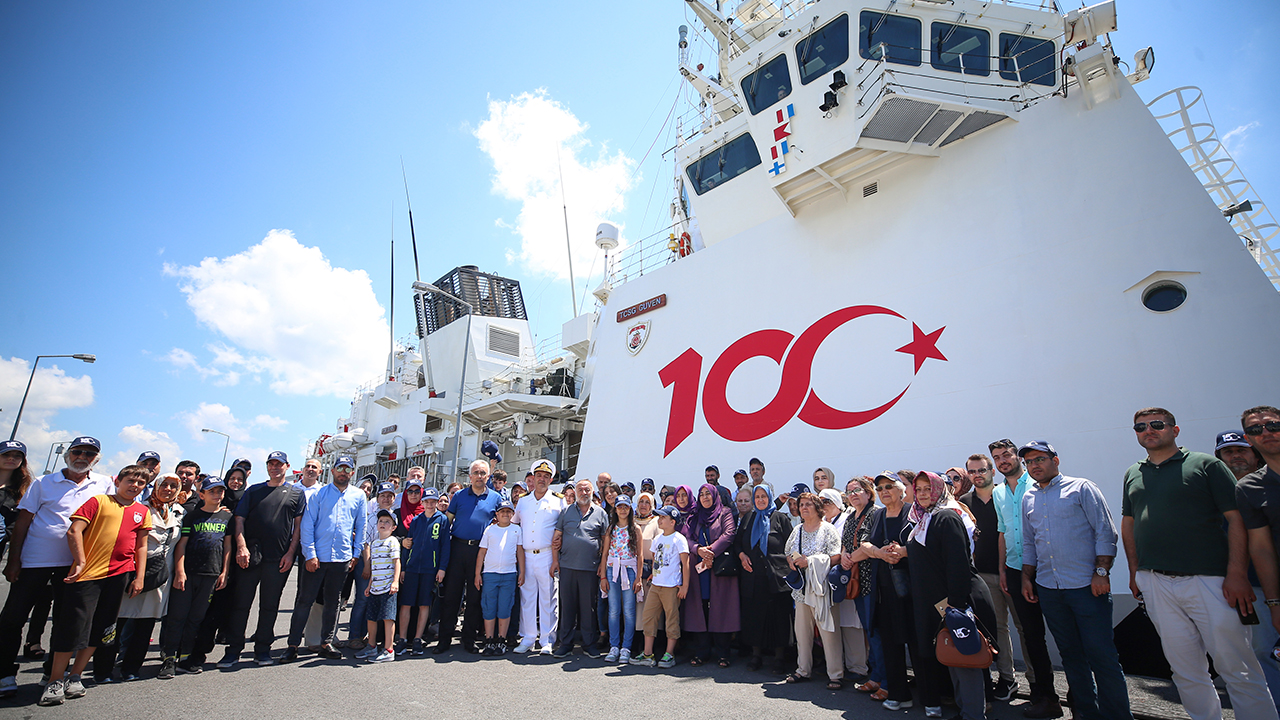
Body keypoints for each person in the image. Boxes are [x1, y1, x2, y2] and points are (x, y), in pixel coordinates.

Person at [1123, 408, 1278, 720]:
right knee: (1185, 670)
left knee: (1238, 667)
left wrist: (1236, 573)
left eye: (1156, 425)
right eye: (1141, 427)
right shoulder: (1133, 473)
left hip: (1211, 580)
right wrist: (1134, 572)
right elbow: (1129, 523)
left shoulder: (1206, 464)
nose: (1148, 431)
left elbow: (1236, 520)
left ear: (1175, 430)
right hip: (1156, 582)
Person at [1018, 441, 1131, 720]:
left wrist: (1102, 573)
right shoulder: (1028, 497)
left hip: (1086, 587)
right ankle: (1085, 713)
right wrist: (1027, 577)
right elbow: (1030, 543)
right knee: (1070, 655)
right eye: (1029, 462)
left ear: (1055, 460)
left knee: (1102, 656)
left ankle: (1117, 716)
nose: (1034, 465)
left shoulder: (1082, 488)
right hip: (1049, 588)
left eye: (1039, 459)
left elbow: (1105, 532)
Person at [0, 436, 112, 699]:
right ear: (68, 454)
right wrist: (14, 560)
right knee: (12, 619)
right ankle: (5, 673)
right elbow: (23, 522)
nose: (82, 457)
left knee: (65, 622)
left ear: (96, 459)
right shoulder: (43, 482)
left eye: (89, 453)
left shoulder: (103, 484)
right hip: (34, 562)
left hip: (74, 565)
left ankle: (52, 673)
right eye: (77, 452)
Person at [40, 465, 151, 706]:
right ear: (118, 481)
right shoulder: (98, 501)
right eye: (130, 480)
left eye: (140, 483)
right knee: (72, 627)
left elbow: (141, 546)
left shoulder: (142, 511)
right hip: (87, 575)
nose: (135, 486)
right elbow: (74, 531)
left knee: (101, 627)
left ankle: (75, 676)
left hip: (119, 576)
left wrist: (139, 577)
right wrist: (80, 562)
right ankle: (54, 680)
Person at [903, 471, 995, 720]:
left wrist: (955, 605)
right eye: (918, 489)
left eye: (927, 489)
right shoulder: (923, 519)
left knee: (965, 657)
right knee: (952, 655)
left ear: (939, 489)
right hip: (937, 601)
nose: (922, 494)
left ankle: (974, 714)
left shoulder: (946, 517)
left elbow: (958, 565)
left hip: (953, 599)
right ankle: (966, 709)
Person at [989, 437, 1058, 717]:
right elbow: (1003, 532)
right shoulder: (999, 493)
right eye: (997, 457)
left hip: (1049, 570)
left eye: (1006, 454)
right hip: (1017, 572)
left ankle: (1082, 700)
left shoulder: (1039, 483)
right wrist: (1003, 570)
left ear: (1017, 456)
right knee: (1032, 636)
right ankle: (1045, 696)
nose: (1003, 460)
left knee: (1065, 636)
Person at [222, 451, 305, 668]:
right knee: (241, 605)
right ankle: (233, 651)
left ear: (287, 466)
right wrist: (241, 547)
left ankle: (262, 650)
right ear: (267, 467)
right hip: (250, 557)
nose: (275, 467)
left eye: (279, 464)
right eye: (271, 464)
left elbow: (297, 528)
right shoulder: (254, 491)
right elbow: (239, 520)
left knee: (270, 606)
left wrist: (290, 553)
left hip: (279, 559)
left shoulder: (296, 493)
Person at [283, 454, 364, 663]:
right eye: (340, 468)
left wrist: (355, 555)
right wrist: (310, 554)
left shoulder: (358, 496)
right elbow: (307, 525)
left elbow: (361, 527)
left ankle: (326, 642)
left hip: (342, 558)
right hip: (317, 558)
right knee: (304, 600)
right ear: (333, 471)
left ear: (352, 473)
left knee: (333, 602)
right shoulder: (319, 494)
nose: (343, 473)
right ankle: (292, 645)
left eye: (347, 469)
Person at [112, 472, 184, 681]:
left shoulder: (178, 512)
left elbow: (179, 545)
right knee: (121, 619)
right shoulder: (140, 508)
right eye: (164, 485)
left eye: (173, 486)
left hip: (161, 574)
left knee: (146, 623)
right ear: (156, 486)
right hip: (136, 571)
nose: (168, 490)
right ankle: (105, 666)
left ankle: (132, 667)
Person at [960, 452, 1021, 703]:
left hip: (1014, 573)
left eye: (982, 470)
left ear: (992, 471)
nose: (977, 475)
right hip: (983, 576)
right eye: (972, 471)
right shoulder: (964, 501)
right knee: (997, 629)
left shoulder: (1006, 496)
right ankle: (1007, 678)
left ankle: (1039, 682)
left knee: (1026, 629)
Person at [159, 476, 232, 676]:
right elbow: (181, 544)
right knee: (177, 616)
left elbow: (227, 546)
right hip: (188, 573)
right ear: (202, 494)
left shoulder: (227, 518)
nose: (217, 495)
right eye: (212, 491)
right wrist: (179, 571)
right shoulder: (192, 516)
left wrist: (224, 572)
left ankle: (186, 657)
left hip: (211, 574)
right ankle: (168, 658)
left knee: (196, 618)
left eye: (220, 491)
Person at [434, 459, 501, 654]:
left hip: (480, 553)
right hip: (457, 549)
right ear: (470, 476)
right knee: (452, 597)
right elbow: (448, 521)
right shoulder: (459, 496)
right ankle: (444, 640)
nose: (480, 476)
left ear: (488, 476)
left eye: (483, 473)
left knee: (474, 597)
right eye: (476, 473)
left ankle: (469, 639)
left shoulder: (495, 498)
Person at [1238, 405, 1280, 709]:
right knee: (1266, 652)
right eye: (1255, 430)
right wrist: (1274, 603)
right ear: (1248, 439)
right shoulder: (1249, 487)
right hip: (1273, 590)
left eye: (1272, 425)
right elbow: (1261, 548)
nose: (1265, 432)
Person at [866, 471, 916, 710]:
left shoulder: (913, 512)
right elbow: (866, 543)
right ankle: (898, 693)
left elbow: (923, 542)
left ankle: (930, 698)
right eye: (880, 488)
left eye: (889, 486)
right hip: (884, 591)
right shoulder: (878, 515)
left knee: (918, 645)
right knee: (891, 644)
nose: (884, 491)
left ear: (901, 490)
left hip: (912, 591)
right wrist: (879, 553)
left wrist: (902, 552)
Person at [783, 492, 842, 689]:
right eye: (801, 505)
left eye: (809, 504)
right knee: (802, 632)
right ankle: (803, 669)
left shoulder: (828, 529)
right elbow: (788, 552)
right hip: (801, 590)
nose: (804, 508)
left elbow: (836, 556)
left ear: (818, 508)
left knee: (828, 631)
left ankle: (835, 674)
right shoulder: (797, 530)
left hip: (821, 588)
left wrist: (811, 562)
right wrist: (792, 561)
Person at [0, 440, 50, 665]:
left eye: (16, 455)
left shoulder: (24, 490)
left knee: (39, 602)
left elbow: (20, 524)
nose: (11, 459)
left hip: (9, 549)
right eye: (6, 454)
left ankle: (32, 641)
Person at [736, 484, 793, 673]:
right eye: (757, 496)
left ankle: (779, 658)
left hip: (776, 577)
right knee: (754, 617)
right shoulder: (748, 519)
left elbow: (790, 545)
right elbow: (738, 544)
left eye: (764, 496)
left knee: (778, 617)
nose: (760, 500)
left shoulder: (780, 518)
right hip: (753, 577)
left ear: (770, 497)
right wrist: (742, 555)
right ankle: (756, 655)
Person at [682, 483, 739, 667]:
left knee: (721, 609)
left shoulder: (725, 513)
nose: (705, 497)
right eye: (702, 494)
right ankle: (702, 652)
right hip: (699, 570)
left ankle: (723, 653)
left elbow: (729, 534)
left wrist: (710, 552)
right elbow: (687, 538)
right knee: (700, 609)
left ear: (715, 496)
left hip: (718, 568)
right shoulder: (695, 515)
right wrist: (698, 550)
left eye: (708, 494)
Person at [551, 478, 607, 658]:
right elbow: (556, 537)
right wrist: (555, 561)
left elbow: (606, 542)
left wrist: (603, 566)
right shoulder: (566, 512)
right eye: (581, 490)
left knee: (588, 609)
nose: (584, 493)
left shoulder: (600, 513)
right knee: (567, 607)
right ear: (575, 492)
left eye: (587, 490)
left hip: (590, 568)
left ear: (592, 492)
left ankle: (589, 644)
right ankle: (565, 644)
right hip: (567, 566)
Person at [513, 459, 563, 655]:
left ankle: (547, 640)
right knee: (527, 598)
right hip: (526, 555)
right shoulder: (523, 501)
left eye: (546, 477)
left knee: (548, 598)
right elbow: (516, 525)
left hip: (547, 555)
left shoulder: (558, 501)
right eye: (539, 476)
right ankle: (527, 638)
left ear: (551, 480)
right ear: (533, 478)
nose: (542, 479)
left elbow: (563, 528)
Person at [631, 506, 688, 669]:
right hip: (656, 585)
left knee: (671, 619)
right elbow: (656, 559)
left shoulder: (679, 539)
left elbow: (685, 564)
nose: (659, 520)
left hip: (671, 587)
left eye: (663, 518)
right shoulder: (658, 539)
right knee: (648, 616)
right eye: (659, 517)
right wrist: (654, 574)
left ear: (672, 521)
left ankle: (669, 654)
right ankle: (648, 653)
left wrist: (684, 586)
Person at [841, 477, 883, 692]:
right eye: (850, 491)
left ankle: (882, 678)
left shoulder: (875, 514)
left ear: (868, 492)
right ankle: (875, 675)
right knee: (868, 629)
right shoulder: (850, 517)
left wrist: (851, 559)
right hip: (856, 581)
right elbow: (844, 545)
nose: (854, 494)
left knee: (876, 630)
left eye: (858, 490)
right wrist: (844, 557)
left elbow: (871, 544)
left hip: (872, 580)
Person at [397, 486, 448, 655]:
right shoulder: (416, 520)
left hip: (429, 569)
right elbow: (408, 545)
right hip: (412, 568)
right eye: (427, 501)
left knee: (424, 604)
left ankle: (418, 638)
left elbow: (444, 547)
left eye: (433, 501)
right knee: (406, 604)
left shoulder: (442, 520)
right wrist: (403, 567)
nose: (430, 504)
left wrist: (441, 568)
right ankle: (403, 639)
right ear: (423, 502)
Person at [821, 487, 865, 681]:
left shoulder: (847, 520)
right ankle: (839, 665)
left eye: (827, 502)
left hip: (846, 576)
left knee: (851, 624)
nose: (824, 506)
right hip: (827, 581)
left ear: (837, 503)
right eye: (820, 503)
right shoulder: (821, 523)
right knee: (834, 625)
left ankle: (858, 667)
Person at [475, 499, 523, 655]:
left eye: (508, 511)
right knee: (489, 607)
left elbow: (520, 552)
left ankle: (501, 639)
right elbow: (482, 553)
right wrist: (477, 574)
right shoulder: (490, 530)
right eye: (502, 511)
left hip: (509, 574)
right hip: (490, 574)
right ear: (497, 514)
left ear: (512, 514)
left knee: (505, 607)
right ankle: (489, 639)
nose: (505, 514)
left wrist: (521, 572)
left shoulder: (516, 530)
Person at [598, 494, 640, 663]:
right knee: (614, 610)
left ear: (630, 509)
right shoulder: (611, 529)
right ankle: (614, 645)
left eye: (626, 507)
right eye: (620, 507)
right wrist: (603, 576)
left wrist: (638, 578)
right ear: (615, 509)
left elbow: (640, 554)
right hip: (612, 570)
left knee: (629, 611)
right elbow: (605, 553)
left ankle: (626, 647)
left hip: (629, 571)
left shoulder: (635, 529)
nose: (623, 510)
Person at [358, 510, 400, 663]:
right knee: (371, 617)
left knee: (388, 618)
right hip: (375, 587)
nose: (383, 524)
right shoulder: (374, 544)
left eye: (387, 522)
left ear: (394, 527)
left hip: (388, 587)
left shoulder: (393, 541)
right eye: (381, 521)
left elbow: (397, 562)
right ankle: (371, 645)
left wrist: (395, 582)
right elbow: (374, 567)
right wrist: (370, 585)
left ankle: (389, 649)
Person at [634, 492, 662, 647]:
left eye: (647, 502)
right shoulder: (632, 521)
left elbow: (660, 548)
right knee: (636, 609)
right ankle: (637, 643)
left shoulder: (657, 522)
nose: (643, 505)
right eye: (641, 501)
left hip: (650, 572)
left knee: (650, 608)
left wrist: (654, 571)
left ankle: (653, 644)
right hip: (633, 571)